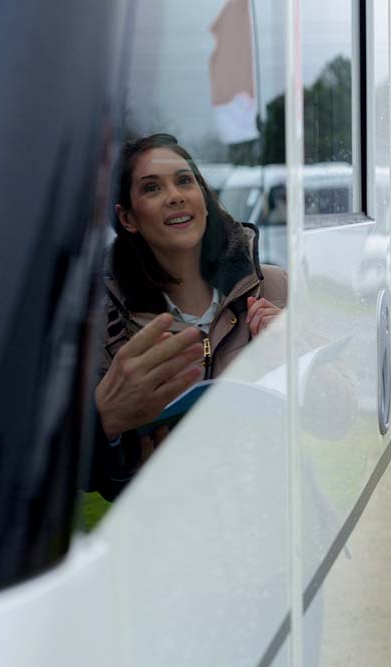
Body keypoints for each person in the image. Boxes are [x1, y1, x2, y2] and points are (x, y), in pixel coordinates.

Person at [90, 133, 287, 498]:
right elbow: (89, 477)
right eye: (152, 188)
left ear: (204, 199)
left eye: (185, 180)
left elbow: (338, 421)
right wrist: (105, 423)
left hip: (280, 532)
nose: (176, 195)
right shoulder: (102, 324)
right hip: (167, 539)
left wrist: (299, 352)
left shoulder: (274, 287)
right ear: (127, 218)